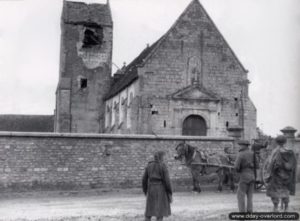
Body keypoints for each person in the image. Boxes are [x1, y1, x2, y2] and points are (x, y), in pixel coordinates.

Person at [265, 135, 297, 212]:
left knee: (274, 191)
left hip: (277, 176)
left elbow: (272, 164)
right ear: (285, 142)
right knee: (285, 190)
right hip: (287, 176)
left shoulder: (275, 151)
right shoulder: (290, 151)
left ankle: (276, 207)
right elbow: (294, 164)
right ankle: (286, 207)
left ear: (276, 142)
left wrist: (269, 173)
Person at [142, 151, 173, 221]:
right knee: (160, 212)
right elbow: (167, 181)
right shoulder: (163, 166)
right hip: (161, 189)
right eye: (163, 157)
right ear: (161, 157)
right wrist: (170, 192)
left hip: (151, 189)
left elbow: (144, 179)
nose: (164, 159)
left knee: (149, 212)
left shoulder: (149, 165)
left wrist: (145, 190)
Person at [234, 140, 257, 213]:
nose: (239, 146)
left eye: (240, 145)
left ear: (244, 145)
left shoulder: (241, 154)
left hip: (244, 176)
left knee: (240, 195)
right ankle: (250, 212)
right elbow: (257, 165)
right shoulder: (253, 153)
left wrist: (238, 171)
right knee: (250, 196)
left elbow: (236, 167)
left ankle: (242, 213)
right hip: (252, 176)